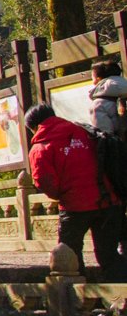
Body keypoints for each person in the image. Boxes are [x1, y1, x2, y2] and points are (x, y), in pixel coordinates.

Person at [27, 100, 124, 277]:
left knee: (69, 256)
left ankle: (78, 291)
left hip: (74, 206)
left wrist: (62, 195)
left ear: (34, 127)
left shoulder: (40, 147)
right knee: (109, 255)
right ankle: (120, 289)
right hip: (108, 201)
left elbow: (44, 181)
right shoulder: (85, 131)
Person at [91, 59, 127, 139]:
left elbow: (105, 135)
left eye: (92, 78)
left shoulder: (98, 104)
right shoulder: (123, 89)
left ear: (98, 79)